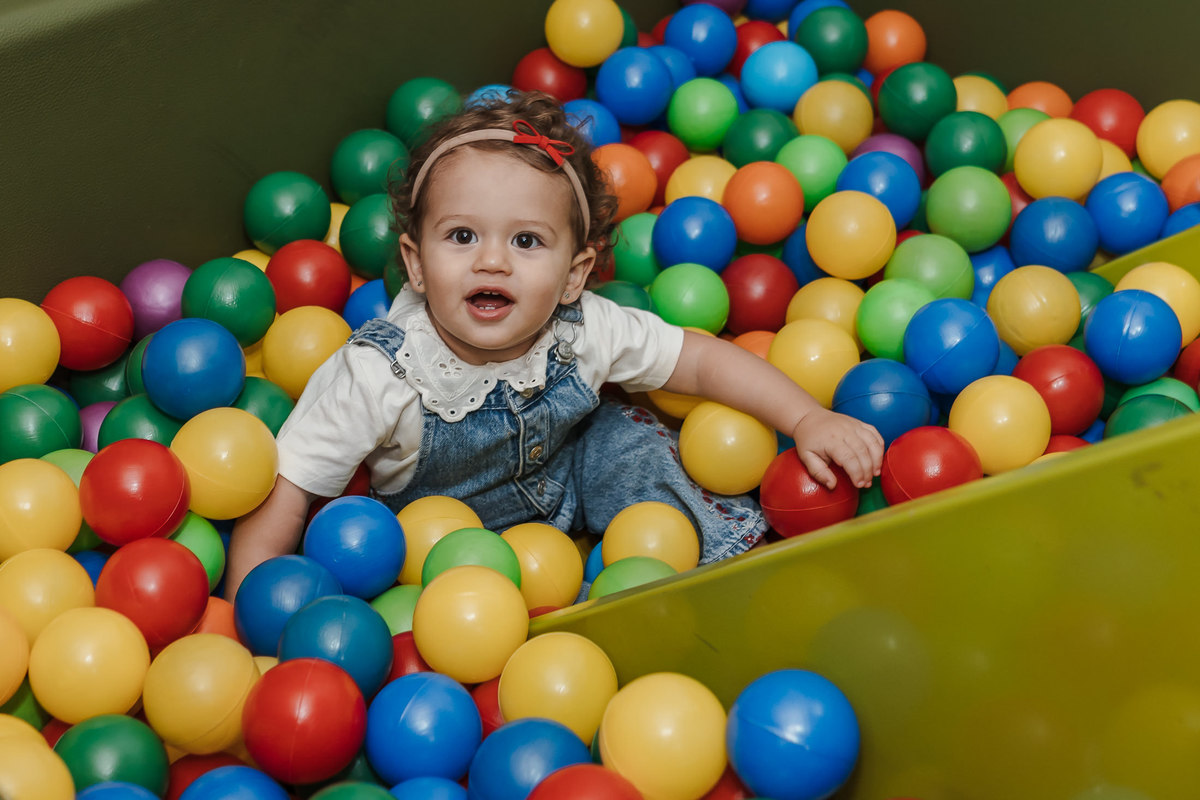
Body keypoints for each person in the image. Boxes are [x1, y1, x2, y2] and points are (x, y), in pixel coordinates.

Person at [224, 90, 883, 601]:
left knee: (629, 435)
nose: (491, 262)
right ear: (415, 263)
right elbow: (290, 486)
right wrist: (247, 614)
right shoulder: (377, 373)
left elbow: (702, 359)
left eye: (526, 241)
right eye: (461, 237)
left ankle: (726, 563)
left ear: (574, 276)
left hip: (570, 486)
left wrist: (807, 418)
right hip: (436, 561)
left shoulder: (585, 327)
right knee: (356, 541)